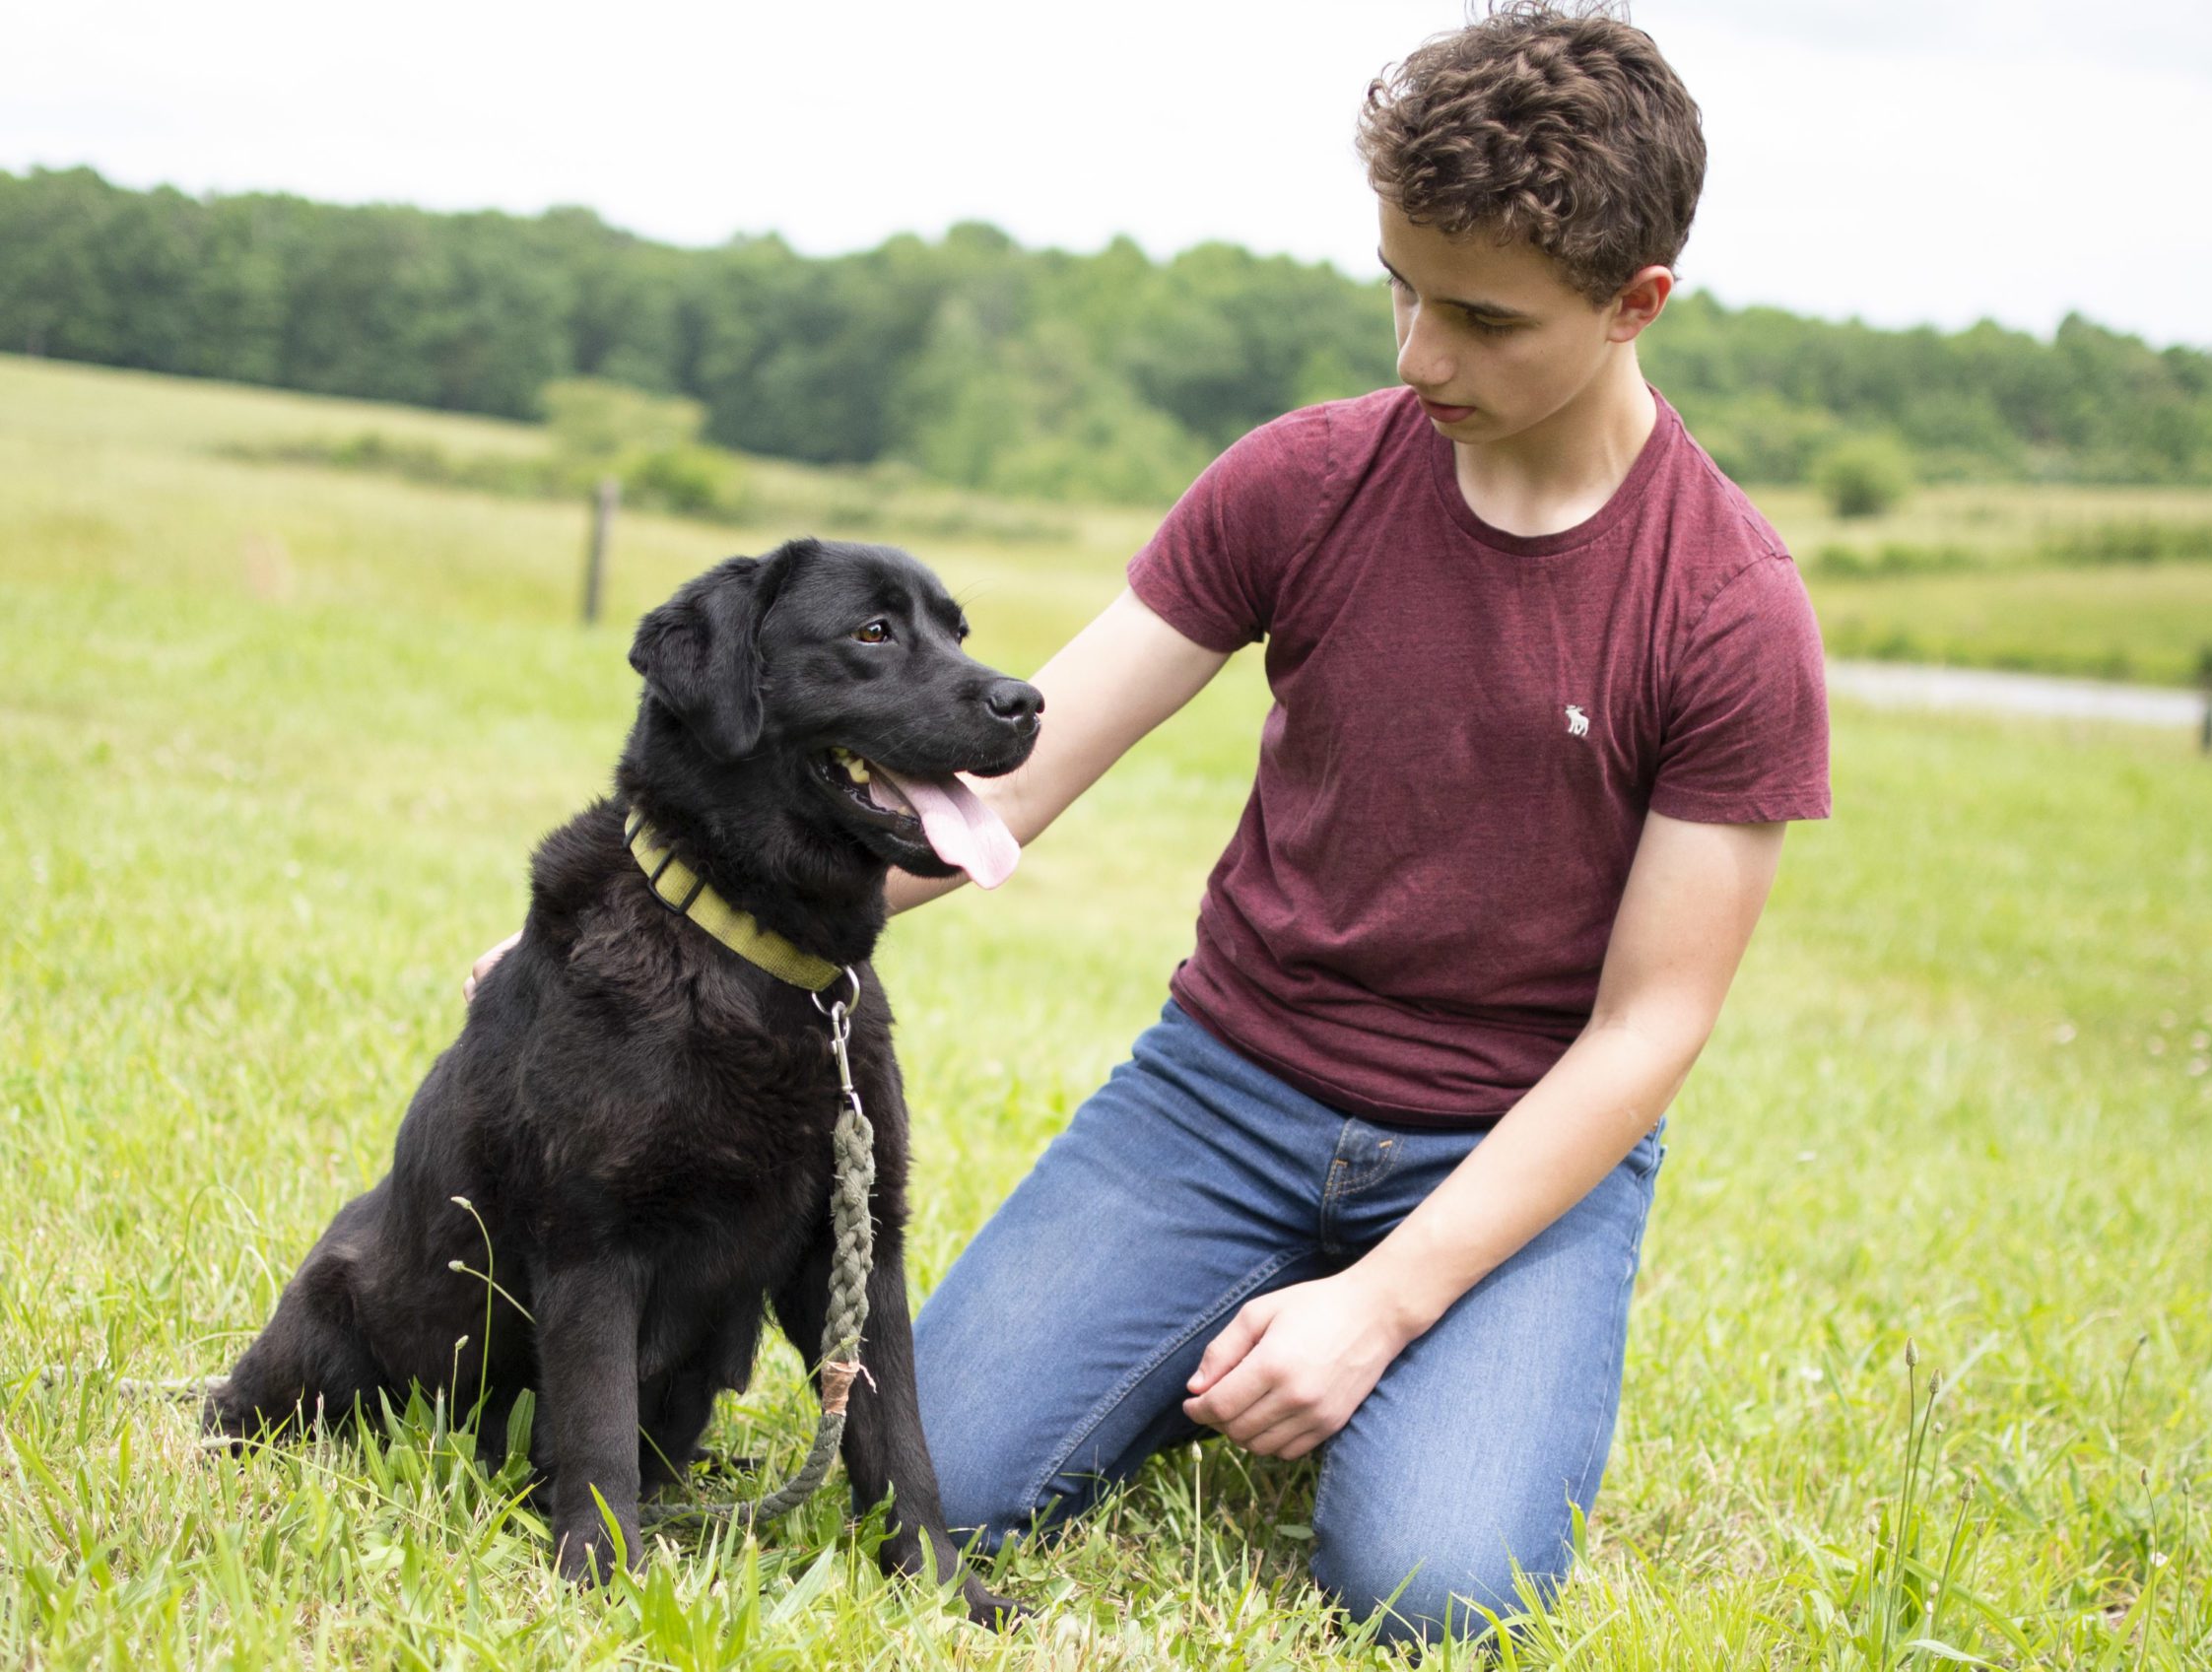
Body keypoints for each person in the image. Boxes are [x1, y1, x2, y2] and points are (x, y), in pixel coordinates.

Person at [469, 3, 1829, 1648]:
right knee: (937, 1483)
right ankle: (1233, 1312)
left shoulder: (1729, 609)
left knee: (1432, 1591)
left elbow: (1647, 1031)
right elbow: (1006, 784)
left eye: (1481, 317)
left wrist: (1385, 1301)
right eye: (1398, 285)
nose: (1418, 355)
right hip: (1224, 1093)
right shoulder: (1301, 481)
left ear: (1637, 304)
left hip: (1504, 1139)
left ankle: (1343, 1339)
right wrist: (641, 931)